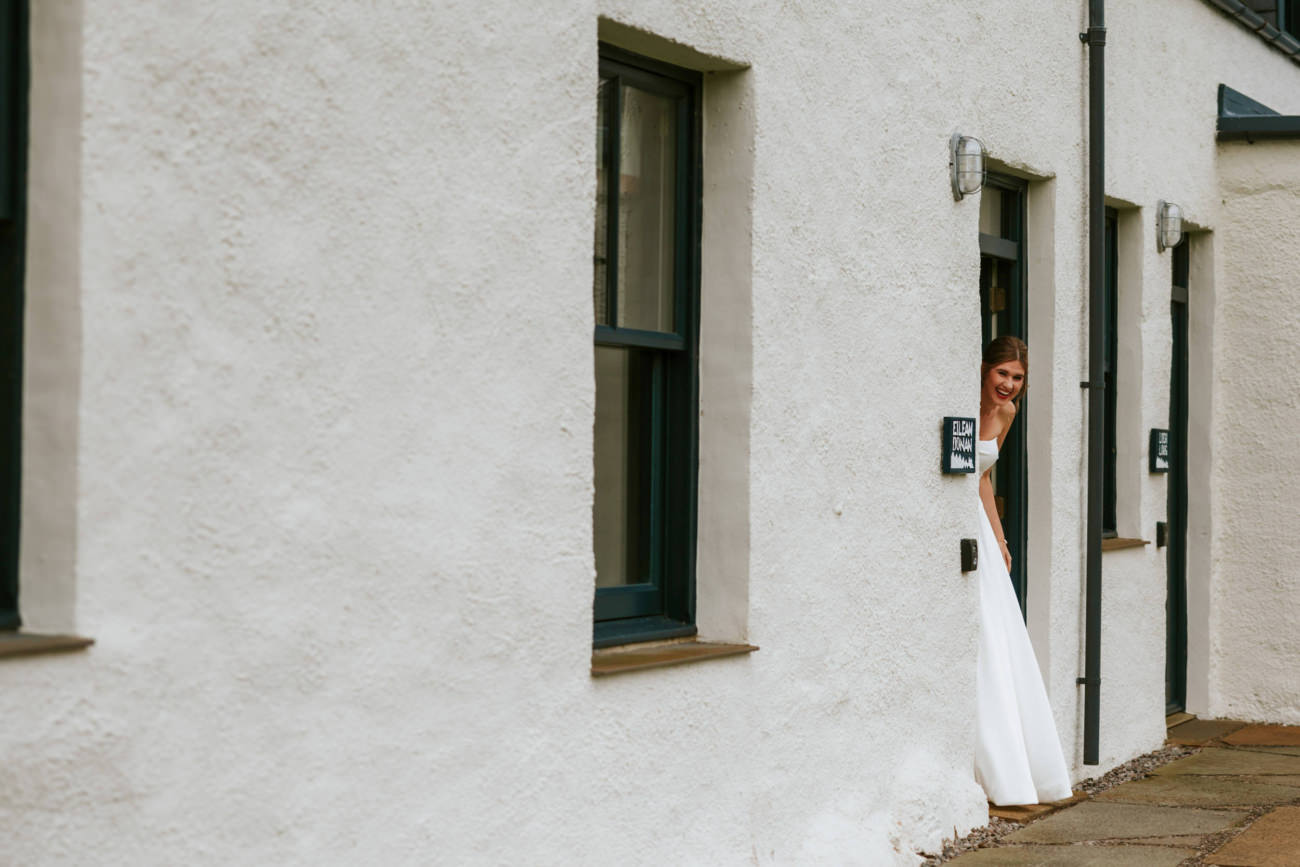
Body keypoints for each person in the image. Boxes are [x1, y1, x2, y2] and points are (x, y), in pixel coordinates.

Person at [973, 336, 1073, 806]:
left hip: (979, 527)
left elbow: (983, 478)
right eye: (1002, 374)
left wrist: (999, 538)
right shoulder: (963, 404)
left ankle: (1018, 760)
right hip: (951, 526)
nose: (1009, 385)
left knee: (1000, 632)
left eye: (1017, 378)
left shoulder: (1007, 414)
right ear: (984, 369)